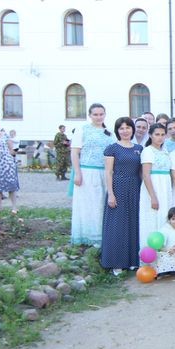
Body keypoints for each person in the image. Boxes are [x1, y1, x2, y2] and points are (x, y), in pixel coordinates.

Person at [101, 117, 143, 275]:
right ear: (117, 131)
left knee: (133, 223)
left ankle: (132, 260)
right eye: (121, 128)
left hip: (135, 187)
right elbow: (108, 172)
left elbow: (141, 171)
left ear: (132, 129)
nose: (125, 131)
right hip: (118, 187)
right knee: (117, 225)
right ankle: (116, 262)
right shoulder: (112, 148)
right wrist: (111, 194)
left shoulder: (139, 148)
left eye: (128, 128)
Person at [71, 103, 114, 246]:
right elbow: (75, 152)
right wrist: (77, 173)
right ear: (90, 115)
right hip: (87, 172)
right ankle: (87, 236)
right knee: (88, 204)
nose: (98, 117)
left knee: (101, 204)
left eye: (101, 114)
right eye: (95, 114)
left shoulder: (109, 132)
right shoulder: (82, 130)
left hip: (104, 172)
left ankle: (101, 236)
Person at [139, 123, 173, 252]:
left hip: (165, 188)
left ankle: (163, 253)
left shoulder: (165, 151)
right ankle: (149, 253)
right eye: (157, 134)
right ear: (150, 135)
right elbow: (146, 175)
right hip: (153, 188)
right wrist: (153, 197)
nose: (160, 137)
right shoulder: (148, 151)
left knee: (164, 218)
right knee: (152, 218)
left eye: (163, 135)